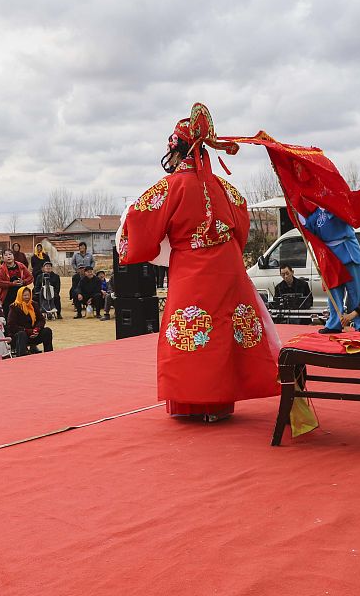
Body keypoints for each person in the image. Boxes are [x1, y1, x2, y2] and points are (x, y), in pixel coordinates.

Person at [116, 103, 280, 420]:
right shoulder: (225, 188)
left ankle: (194, 402)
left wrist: (134, 243)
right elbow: (241, 223)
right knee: (220, 331)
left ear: (178, 150)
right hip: (227, 267)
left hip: (192, 269)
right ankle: (217, 405)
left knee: (194, 330)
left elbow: (139, 222)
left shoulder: (171, 187)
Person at [298, 206, 360, 334]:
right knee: (334, 290)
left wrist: (328, 206)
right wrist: (297, 214)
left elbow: (343, 212)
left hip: (347, 250)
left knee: (356, 291)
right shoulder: (316, 212)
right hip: (329, 255)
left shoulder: (335, 202)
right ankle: (334, 323)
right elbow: (308, 228)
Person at [5, 286, 54, 355]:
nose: (27, 297)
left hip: (34, 333)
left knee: (47, 331)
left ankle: (49, 353)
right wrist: (28, 331)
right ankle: (21, 356)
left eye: (28, 295)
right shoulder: (14, 307)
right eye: (24, 295)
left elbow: (41, 320)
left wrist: (37, 329)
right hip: (20, 334)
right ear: (20, 295)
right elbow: (11, 325)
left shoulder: (34, 304)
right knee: (22, 334)